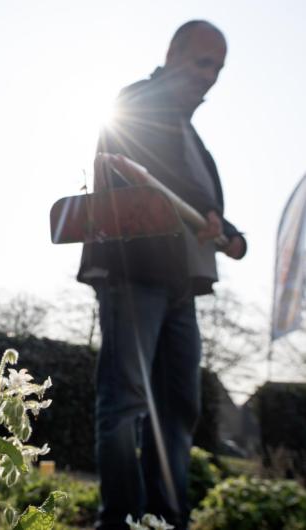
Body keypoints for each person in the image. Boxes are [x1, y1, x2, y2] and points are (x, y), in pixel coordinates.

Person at [77, 20, 247, 529]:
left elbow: (210, 211)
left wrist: (230, 231)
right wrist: (202, 211)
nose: (211, 76)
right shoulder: (139, 101)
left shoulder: (196, 141)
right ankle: (121, 521)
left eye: (218, 68)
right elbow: (136, 167)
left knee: (178, 409)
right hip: (135, 275)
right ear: (174, 55)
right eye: (203, 62)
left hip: (180, 289)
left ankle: (165, 521)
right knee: (126, 402)